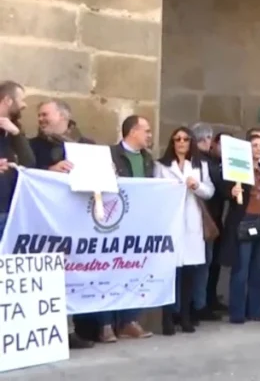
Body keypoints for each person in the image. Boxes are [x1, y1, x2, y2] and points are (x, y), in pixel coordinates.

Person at [27, 98, 95, 349]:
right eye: (39, 116)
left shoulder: (86, 146)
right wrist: (50, 170)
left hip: (77, 222)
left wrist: (107, 169)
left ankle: (72, 329)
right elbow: (27, 172)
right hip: (45, 222)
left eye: (46, 114)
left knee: (73, 276)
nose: (41, 119)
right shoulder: (33, 146)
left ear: (63, 117)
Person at [98, 115, 155, 342]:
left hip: (138, 223)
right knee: (106, 271)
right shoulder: (109, 155)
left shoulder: (148, 159)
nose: (150, 135)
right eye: (146, 130)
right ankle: (105, 323)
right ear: (133, 132)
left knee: (134, 271)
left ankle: (129, 321)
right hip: (113, 223)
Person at [155, 127, 215, 335]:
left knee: (189, 271)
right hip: (171, 222)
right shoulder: (161, 166)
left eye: (185, 139)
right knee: (171, 271)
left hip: (191, 222)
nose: (181, 142)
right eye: (177, 139)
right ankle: (168, 317)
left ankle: (186, 316)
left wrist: (196, 186)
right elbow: (155, 191)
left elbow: (209, 191)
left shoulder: (199, 165)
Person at [223, 133, 260, 324]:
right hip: (244, 220)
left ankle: (255, 309)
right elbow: (224, 189)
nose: (258, 149)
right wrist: (231, 191)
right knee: (241, 268)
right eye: (254, 145)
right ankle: (237, 312)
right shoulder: (237, 171)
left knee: (258, 268)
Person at [190, 122, 225, 321]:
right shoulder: (205, 162)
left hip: (209, 217)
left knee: (206, 262)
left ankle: (201, 302)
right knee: (202, 263)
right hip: (205, 217)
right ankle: (199, 304)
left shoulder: (207, 161)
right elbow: (215, 187)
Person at [0, 81, 32, 239]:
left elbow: (29, 162)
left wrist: (16, 134)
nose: (24, 105)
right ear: (8, 100)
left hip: (9, 211)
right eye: (21, 99)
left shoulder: (15, 128)